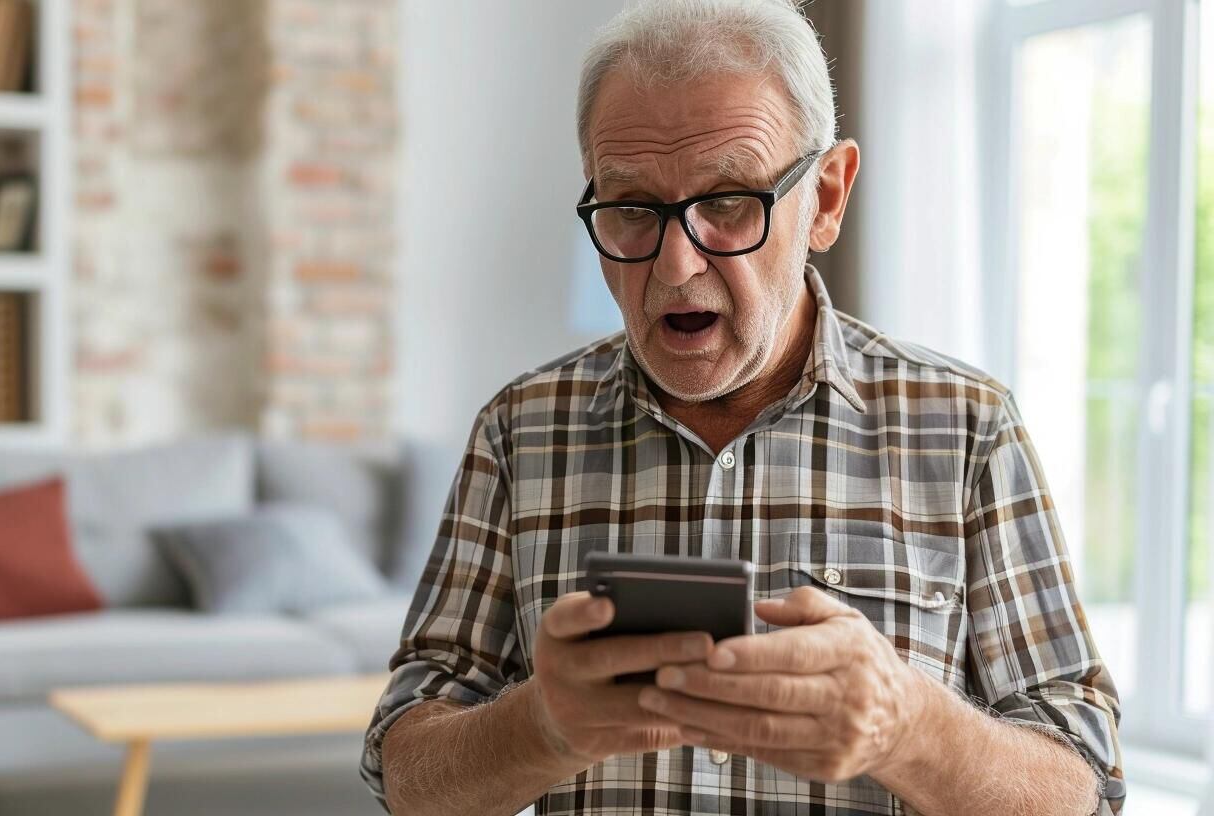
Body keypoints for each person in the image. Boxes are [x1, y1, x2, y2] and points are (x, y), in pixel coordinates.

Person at [360, 1, 1123, 813]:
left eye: (727, 201)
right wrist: (542, 724)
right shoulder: (519, 432)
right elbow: (407, 775)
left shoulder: (968, 430)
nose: (675, 265)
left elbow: (1085, 786)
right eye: (630, 207)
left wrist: (910, 728)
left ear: (826, 197)